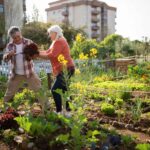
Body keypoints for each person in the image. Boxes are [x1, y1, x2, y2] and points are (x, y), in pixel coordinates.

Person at [39, 25, 75, 115]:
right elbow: (48, 52)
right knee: (64, 90)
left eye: (50, 33)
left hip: (66, 69)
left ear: (55, 33)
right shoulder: (57, 41)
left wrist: (36, 55)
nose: (49, 35)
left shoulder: (59, 42)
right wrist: (37, 52)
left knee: (54, 89)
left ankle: (59, 111)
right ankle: (68, 112)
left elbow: (52, 55)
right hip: (66, 69)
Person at [3, 26, 41, 103]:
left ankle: (47, 108)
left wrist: (31, 55)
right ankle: (3, 109)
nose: (17, 39)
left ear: (20, 33)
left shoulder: (28, 42)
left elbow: (36, 53)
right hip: (16, 74)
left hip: (29, 72)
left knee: (39, 90)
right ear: (11, 37)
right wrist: (9, 55)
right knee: (9, 93)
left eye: (18, 36)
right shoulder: (9, 46)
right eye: (14, 38)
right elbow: (5, 59)